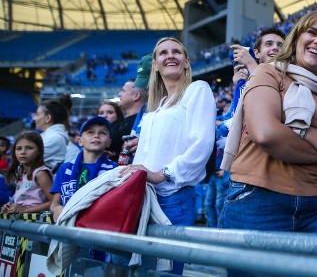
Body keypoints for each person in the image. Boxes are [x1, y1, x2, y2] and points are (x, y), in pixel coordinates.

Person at [219, 10, 317, 236]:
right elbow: (266, 133)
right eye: (311, 32)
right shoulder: (267, 72)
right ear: (296, 38)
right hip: (257, 200)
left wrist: (299, 130)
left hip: (316, 206)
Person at [120, 37, 215, 275]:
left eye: (177, 52)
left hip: (173, 198)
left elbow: (201, 145)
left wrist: (162, 174)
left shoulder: (197, 90)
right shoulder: (157, 106)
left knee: (163, 273)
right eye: (163, 53)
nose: (170, 55)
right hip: (143, 199)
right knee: (139, 271)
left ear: (186, 62)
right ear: (155, 64)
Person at [205, 28, 286, 227]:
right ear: (257, 52)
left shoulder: (286, 76)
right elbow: (235, 117)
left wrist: (251, 66)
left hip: (269, 167)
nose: (275, 47)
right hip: (241, 165)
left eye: (280, 45)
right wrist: (238, 84)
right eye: (269, 44)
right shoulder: (246, 81)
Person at [50, 116, 117, 223]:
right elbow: (54, 204)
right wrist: (57, 209)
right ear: (80, 141)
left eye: (102, 133)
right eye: (90, 132)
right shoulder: (65, 169)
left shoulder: (115, 170)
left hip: (97, 228)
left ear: (109, 142)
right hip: (67, 228)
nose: (96, 136)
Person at [1, 131, 53, 214]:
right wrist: (10, 207)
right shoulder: (21, 172)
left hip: (36, 223)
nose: (23, 152)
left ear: (39, 151)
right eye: (19, 148)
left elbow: (54, 202)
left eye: (29, 148)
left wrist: (25, 210)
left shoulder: (40, 173)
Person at [34, 100, 69, 172]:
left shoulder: (55, 138)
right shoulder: (51, 136)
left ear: (48, 118)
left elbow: (27, 159)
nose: (34, 118)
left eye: (37, 114)